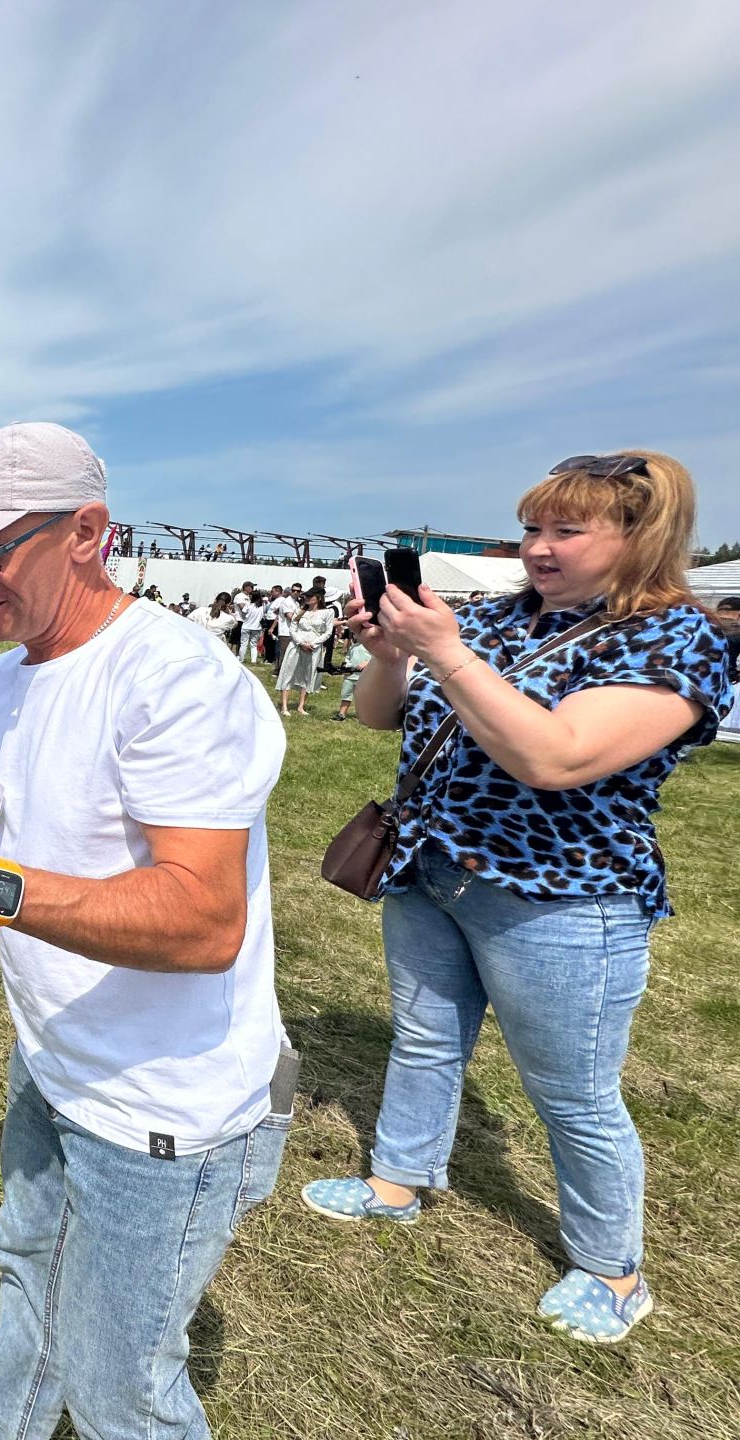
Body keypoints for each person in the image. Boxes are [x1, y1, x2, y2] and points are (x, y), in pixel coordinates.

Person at [0, 423, 291, 1440]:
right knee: (32, 1280)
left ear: (86, 532)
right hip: (59, 1057)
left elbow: (204, 920)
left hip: (164, 1105)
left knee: (122, 1387)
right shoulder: (7, 677)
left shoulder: (176, 680)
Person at [300, 451, 732, 1344]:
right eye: (533, 527)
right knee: (423, 1040)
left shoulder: (676, 639)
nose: (538, 548)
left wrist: (447, 652)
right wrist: (389, 656)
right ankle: (398, 1181)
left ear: (640, 537)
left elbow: (556, 757)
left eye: (566, 530)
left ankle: (612, 1268)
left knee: (572, 1093)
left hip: (564, 898)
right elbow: (385, 718)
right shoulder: (494, 619)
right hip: (433, 869)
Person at [275, 595, 332, 716]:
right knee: (288, 672)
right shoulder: (300, 611)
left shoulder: (327, 612)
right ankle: (284, 706)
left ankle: (301, 706)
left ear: (318, 598)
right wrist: (300, 642)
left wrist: (314, 643)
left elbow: (328, 631)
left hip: (314, 646)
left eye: (311, 596)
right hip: (297, 644)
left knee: (308, 675)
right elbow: (292, 628)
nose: (307, 598)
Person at [333, 623, 371, 719]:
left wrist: (366, 663)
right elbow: (348, 657)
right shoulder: (354, 647)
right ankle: (342, 713)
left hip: (364, 676)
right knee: (346, 694)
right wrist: (346, 664)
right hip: (351, 675)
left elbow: (376, 658)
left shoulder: (371, 647)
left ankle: (365, 716)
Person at [236, 584, 266, 663]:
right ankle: (253, 660)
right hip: (256, 627)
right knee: (253, 645)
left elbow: (243, 613)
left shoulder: (248, 605)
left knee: (243, 644)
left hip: (246, 626)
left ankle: (241, 659)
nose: (249, 596)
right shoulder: (262, 606)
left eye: (250, 595)